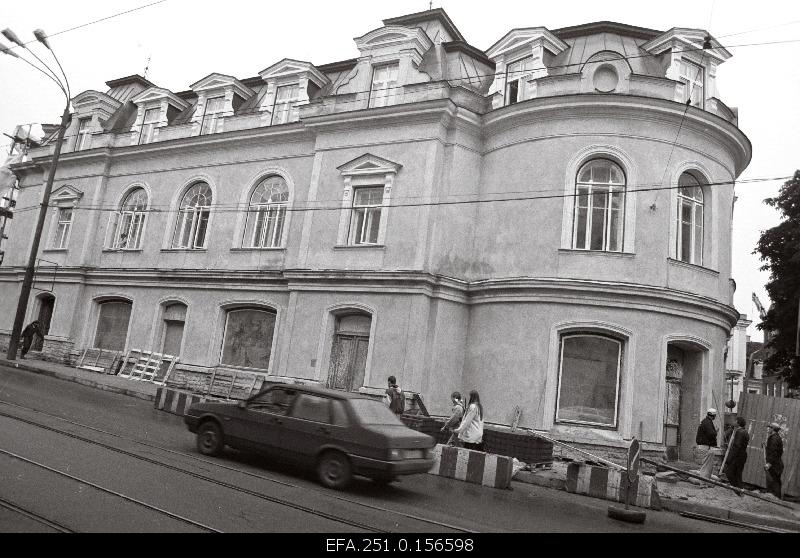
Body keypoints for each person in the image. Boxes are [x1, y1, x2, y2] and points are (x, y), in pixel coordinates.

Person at [722, 417, 750, 488]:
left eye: (735, 421)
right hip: (742, 455)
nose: (733, 422)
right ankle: (739, 488)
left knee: (729, 472)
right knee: (738, 473)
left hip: (737, 456)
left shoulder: (739, 432)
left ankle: (737, 489)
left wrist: (729, 459)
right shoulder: (745, 432)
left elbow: (736, 446)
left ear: (738, 423)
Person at [694, 408, 718, 478]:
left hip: (704, 445)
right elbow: (711, 434)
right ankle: (703, 482)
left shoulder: (705, 421)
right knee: (707, 465)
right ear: (713, 416)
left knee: (706, 465)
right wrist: (716, 431)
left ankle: (705, 481)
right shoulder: (708, 423)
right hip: (706, 446)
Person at [765, 422, 784, 499]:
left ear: (772, 429)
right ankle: (776, 499)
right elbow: (777, 451)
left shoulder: (774, 438)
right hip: (777, 464)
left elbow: (774, 452)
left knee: (773, 482)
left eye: (769, 427)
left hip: (774, 465)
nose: (768, 429)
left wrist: (769, 463)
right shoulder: (776, 437)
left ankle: (775, 500)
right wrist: (766, 446)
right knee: (775, 482)